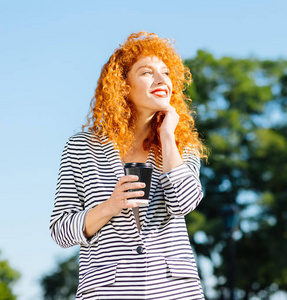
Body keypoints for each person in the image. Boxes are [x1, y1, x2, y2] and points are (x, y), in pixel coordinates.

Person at [50, 31, 208, 299]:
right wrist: (110, 207)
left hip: (174, 290)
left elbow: (185, 204)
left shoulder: (182, 144)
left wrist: (168, 137)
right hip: (107, 290)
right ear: (123, 85)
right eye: (147, 72)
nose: (161, 80)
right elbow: (60, 230)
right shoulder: (81, 147)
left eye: (166, 73)